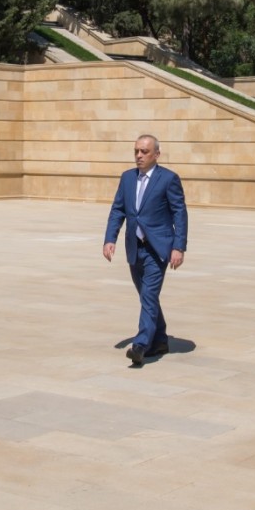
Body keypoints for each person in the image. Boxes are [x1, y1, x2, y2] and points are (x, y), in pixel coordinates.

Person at [104, 134, 188, 365]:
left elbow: (179, 214)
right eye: (136, 152)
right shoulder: (128, 178)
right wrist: (110, 239)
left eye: (144, 152)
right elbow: (117, 210)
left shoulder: (168, 179)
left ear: (156, 154)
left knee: (149, 296)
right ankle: (160, 339)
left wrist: (178, 247)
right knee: (146, 297)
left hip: (158, 249)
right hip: (134, 247)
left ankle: (141, 345)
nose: (139, 156)